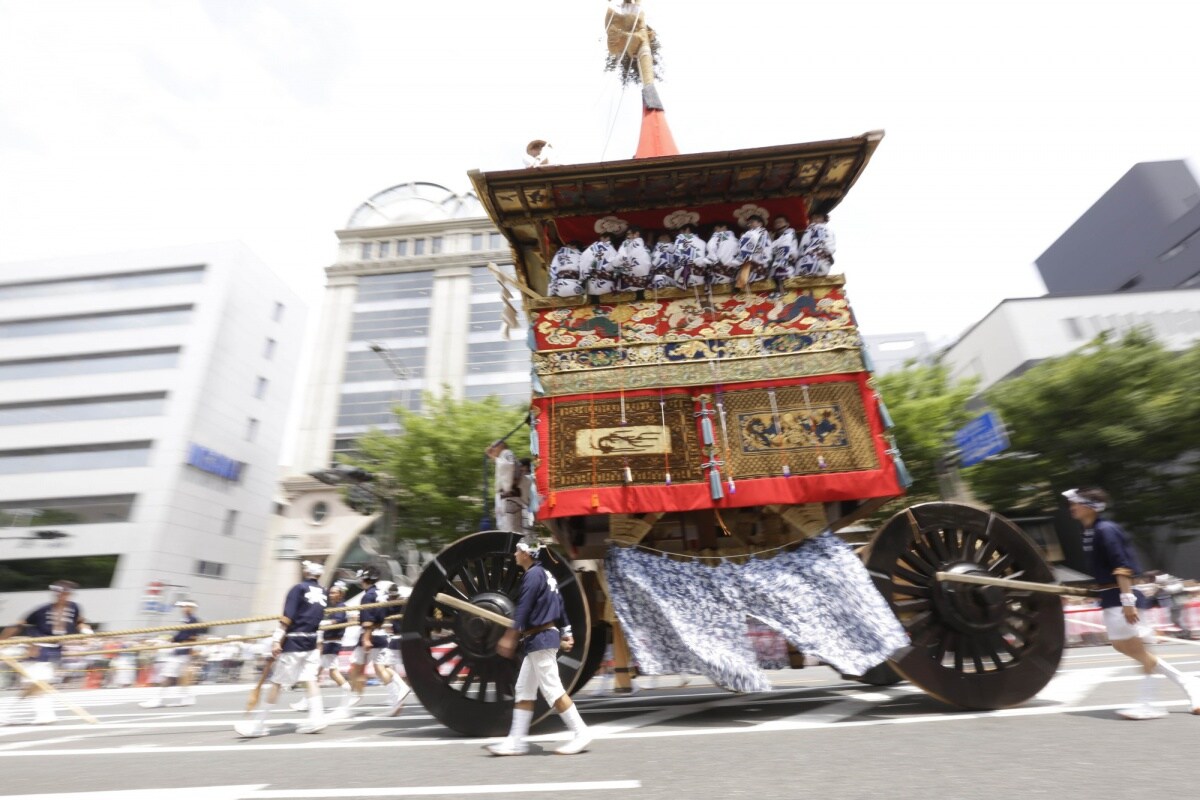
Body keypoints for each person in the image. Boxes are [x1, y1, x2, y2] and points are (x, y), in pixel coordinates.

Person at [1065, 488, 1200, 719]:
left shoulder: (1106, 530)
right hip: (1111, 597)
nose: (1071, 507)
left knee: (1139, 650)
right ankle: (1188, 682)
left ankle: (1150, 704)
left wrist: (1128, 602)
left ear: (1089, 506)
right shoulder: (1089, 531)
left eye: (1075, 503)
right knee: (1122, 646)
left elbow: (1122, 567)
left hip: (1122, 596)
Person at [487, 539, 591, 756]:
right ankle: (516, 742)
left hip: (540, 638)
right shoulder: (547, 575)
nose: (515, 553)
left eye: (518, 550)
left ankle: (580, 732)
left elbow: (524, 607)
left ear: (526, 553)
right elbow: (560, 605)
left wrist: (510, 635)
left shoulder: (532, 575)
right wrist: (567, 632)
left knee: (553, 690)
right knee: (524, 689)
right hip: (540, 638)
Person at [234, 560, 329, 737]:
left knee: (276, 682)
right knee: (310, 680)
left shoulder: (298, 589)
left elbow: (287, 617)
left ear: (305, 572)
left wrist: (277, 639)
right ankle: (317, 718)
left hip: (294, 642)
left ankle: (259, 724)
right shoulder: (324, 592)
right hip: (311, 642)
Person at [0, 580, 91, 725]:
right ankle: (39, 714)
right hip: (37, 647)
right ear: (56, 594)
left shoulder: (74, 608)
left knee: (40, 684)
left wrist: (86, 630)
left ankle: (12, 713)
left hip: (55, 648)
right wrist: (3, 641)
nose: (65, 596)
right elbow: (18, 625)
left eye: (68, 593)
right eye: (62, 592)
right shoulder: (42, 610)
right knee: (38, 683)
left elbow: (80, 621)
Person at [339, 568, 410, 718]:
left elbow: (367, 620)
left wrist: (365, 638)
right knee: (380, 668)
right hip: (381, 635)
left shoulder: (368, 596)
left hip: (369, 635)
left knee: (355, 669)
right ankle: (397, 697)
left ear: (362, 580)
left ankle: (353, 698)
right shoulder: (381, 595)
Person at [292, 580, 354, 712]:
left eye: (334, 592)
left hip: (332, 643)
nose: (330, 595)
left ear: (341, 594)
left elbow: (335, 621)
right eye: (330, 592)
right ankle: (308, 701)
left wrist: (319, 623)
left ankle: (307, 702)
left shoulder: (341, 606)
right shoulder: (336, 606)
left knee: (317, 673)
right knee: (321, 673)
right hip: (330, 643)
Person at [141, 600, 206, 708]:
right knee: (181, 676)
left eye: (185, 606)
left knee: (168, 674)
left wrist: (173, 640)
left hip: (182, 651)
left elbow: (186, 636)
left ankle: (159, 699)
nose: (183, 609)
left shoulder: (193, 620)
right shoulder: (187, 620)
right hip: (182, 650)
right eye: (182, 607)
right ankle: (187, 698)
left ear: (191, 608)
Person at [487, 439, 528, 534]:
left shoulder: (506, 453)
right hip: (508, 497)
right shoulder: (504, 456)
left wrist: (493, 457)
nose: (493, 449)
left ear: (500, 445)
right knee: (507, 529)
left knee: (511, 530)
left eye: (494, 446)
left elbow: (508, 466)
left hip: (510, 497)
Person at [734, 214, 772, 289]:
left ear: (760, 223)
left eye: (752, 222)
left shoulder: (761, 232)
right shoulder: (750, 233)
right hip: (752, 265)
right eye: (748, 223)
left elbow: (757, 249)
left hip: (756, 264)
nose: (749, 224)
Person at [580, 232, 619, 297]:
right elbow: (617, 267)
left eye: (601, 237)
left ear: (607, 238)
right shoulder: (614, 251)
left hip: (592, 284)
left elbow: (584, 260)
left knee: (593, 305)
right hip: (608, 284)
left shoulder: (594, 247)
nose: (600, 239)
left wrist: (583, 277)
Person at [768, 215, 801, 293]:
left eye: (780, 222)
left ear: (787, 224)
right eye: (776, 223)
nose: (778, 224)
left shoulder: (789, 232)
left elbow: (781, 250)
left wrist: (770, 242)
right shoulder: (778, 239)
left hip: (786, 265)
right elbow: (772, 251)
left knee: (785, 290)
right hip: (777, 267)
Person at [670, 223, 709, 288]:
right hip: (701, 277)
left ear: (687, 230)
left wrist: (675, 278)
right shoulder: (703, 242)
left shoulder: (681, 239)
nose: (680, 234)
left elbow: (677, 258)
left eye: (681, 232)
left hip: (686, 277)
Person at [616, 226, 653, 294]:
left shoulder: (626, 243)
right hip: (644, 280)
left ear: (636, 234)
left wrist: (616, 267)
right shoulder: (646, 248)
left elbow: (620, 258)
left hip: (628, 279)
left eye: (629, 234)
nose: (627, 236)